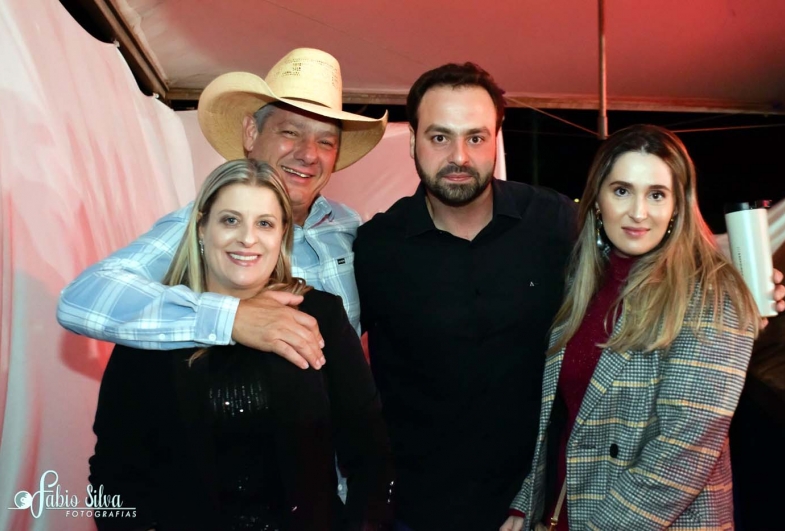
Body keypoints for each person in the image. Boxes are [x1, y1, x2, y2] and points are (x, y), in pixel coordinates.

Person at [502, 124, 785, 531]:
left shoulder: (712, 293)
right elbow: (567, 422)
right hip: (573, 506)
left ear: (678, 206)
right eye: (621, 191)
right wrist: (527, 503)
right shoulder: (585, 283)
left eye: (656, 194)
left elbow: (681, 454)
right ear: (597, 198)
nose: (639, 212)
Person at [89, 159, 394, 531]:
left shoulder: (319, 315)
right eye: (230, 220)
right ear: (202, 228)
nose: (247, 239)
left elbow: (369, 449)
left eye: (264, 223)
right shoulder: (157, 323)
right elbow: (113, 473)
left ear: (283, 236)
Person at [57, 48, 387, 371]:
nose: (308, 154)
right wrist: (231, 317)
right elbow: (85, 297)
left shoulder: (346, 224)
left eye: (326, 142)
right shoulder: (208, 228)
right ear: (251, 133)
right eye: (290, 132)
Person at [353, 63, 578, 531]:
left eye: (476, 138)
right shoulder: (376, 247)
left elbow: (637, 279)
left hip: (537, 505)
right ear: (412, 137)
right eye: (440, 138)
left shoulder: (555, 223)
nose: (459, 156)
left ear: (498, 136)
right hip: (417, 511)